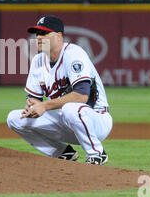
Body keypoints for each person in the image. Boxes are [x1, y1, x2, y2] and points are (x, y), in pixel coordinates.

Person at [6, 16, 113, 165]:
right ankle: (63, 153)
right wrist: (32, 106)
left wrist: (44, 106)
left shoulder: (73, 53)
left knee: (71, 108)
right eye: (37, 34)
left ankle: (96, 154)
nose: (39, 37)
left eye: (44, 33)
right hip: (66, 123)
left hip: (95, 120)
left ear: (58, 36)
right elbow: (34, 99)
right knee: (14, 118)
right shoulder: (38, 61)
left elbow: (82, 96)